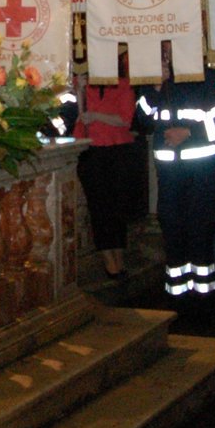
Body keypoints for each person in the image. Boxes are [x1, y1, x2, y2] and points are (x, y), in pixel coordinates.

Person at [138, 46, 215, 302]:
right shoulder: (157, 84)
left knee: (200, 231)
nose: (168, 56)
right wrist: (156, 89)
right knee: (172, 230)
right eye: (165, 51)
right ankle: (177, 294)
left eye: (173, 48)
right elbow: (141, 120)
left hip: (202, 172)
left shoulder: (208, 77)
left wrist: (191, 133)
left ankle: (204, 295)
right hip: (169, 175)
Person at [73, 54, 144, 279]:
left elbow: (125, 119)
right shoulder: (80, 85)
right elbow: (73, 113)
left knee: (117, 205)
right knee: (98, 206)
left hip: (117, 151)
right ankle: (108, 258)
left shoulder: (123, 86)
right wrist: (78, 92)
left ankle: (119, 254)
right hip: (90, 150)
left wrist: (95, 115)